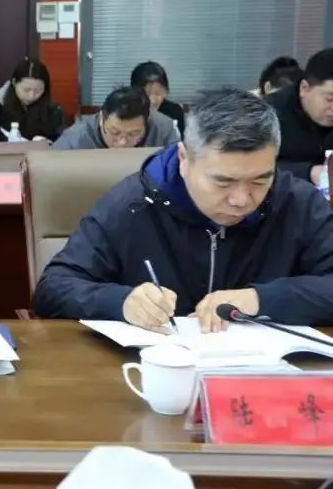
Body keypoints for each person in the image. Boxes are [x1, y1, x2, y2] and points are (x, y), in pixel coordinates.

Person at [34, 89, 333, 329]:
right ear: (184, 159)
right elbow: (54, 288)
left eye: (260, 180)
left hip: (266, 376)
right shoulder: (132, 204)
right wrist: (121, 302)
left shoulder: (298, 203)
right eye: (223, 182)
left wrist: (261, 299)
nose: (242, 199)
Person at [266, 48, 333, 184]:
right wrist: (308, 172)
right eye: (330, 99)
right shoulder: (269, 114)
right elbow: (248, 164)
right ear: (304, 88)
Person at [52, 85, 179, 150]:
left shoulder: (163, 130)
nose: (123, 143)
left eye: (133, 134)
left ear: (147, 122)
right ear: (101, 120)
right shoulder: (75, 139)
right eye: (114, 132)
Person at [0, 58, 66, 142]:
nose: (31, 96)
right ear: (14, 82)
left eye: (38, 90)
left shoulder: (53, 110)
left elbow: (62, 140)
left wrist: (48, 143)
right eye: (26, 90)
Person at [130, 61, 186, 136]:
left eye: (158, 93)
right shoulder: (126, 112)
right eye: (146, 94)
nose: (152, 100)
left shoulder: (174, 112)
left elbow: (178, 140)